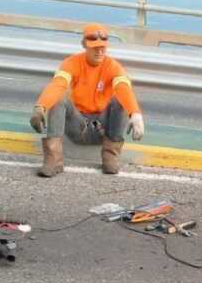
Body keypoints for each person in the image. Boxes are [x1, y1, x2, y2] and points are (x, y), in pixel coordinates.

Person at [29, 22, 145, 177]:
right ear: (84, 44)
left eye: (102, 47)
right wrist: (40, 107)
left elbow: (123, 88)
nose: (99, 51)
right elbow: (58, 84)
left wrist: (135, 114)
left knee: (120, 100)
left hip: (102, 128)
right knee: (59, 98)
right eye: (94, 47)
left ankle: (110, 156)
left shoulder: (113, 66)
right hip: (78, 125)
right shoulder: (72, 63)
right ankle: (53, 159)